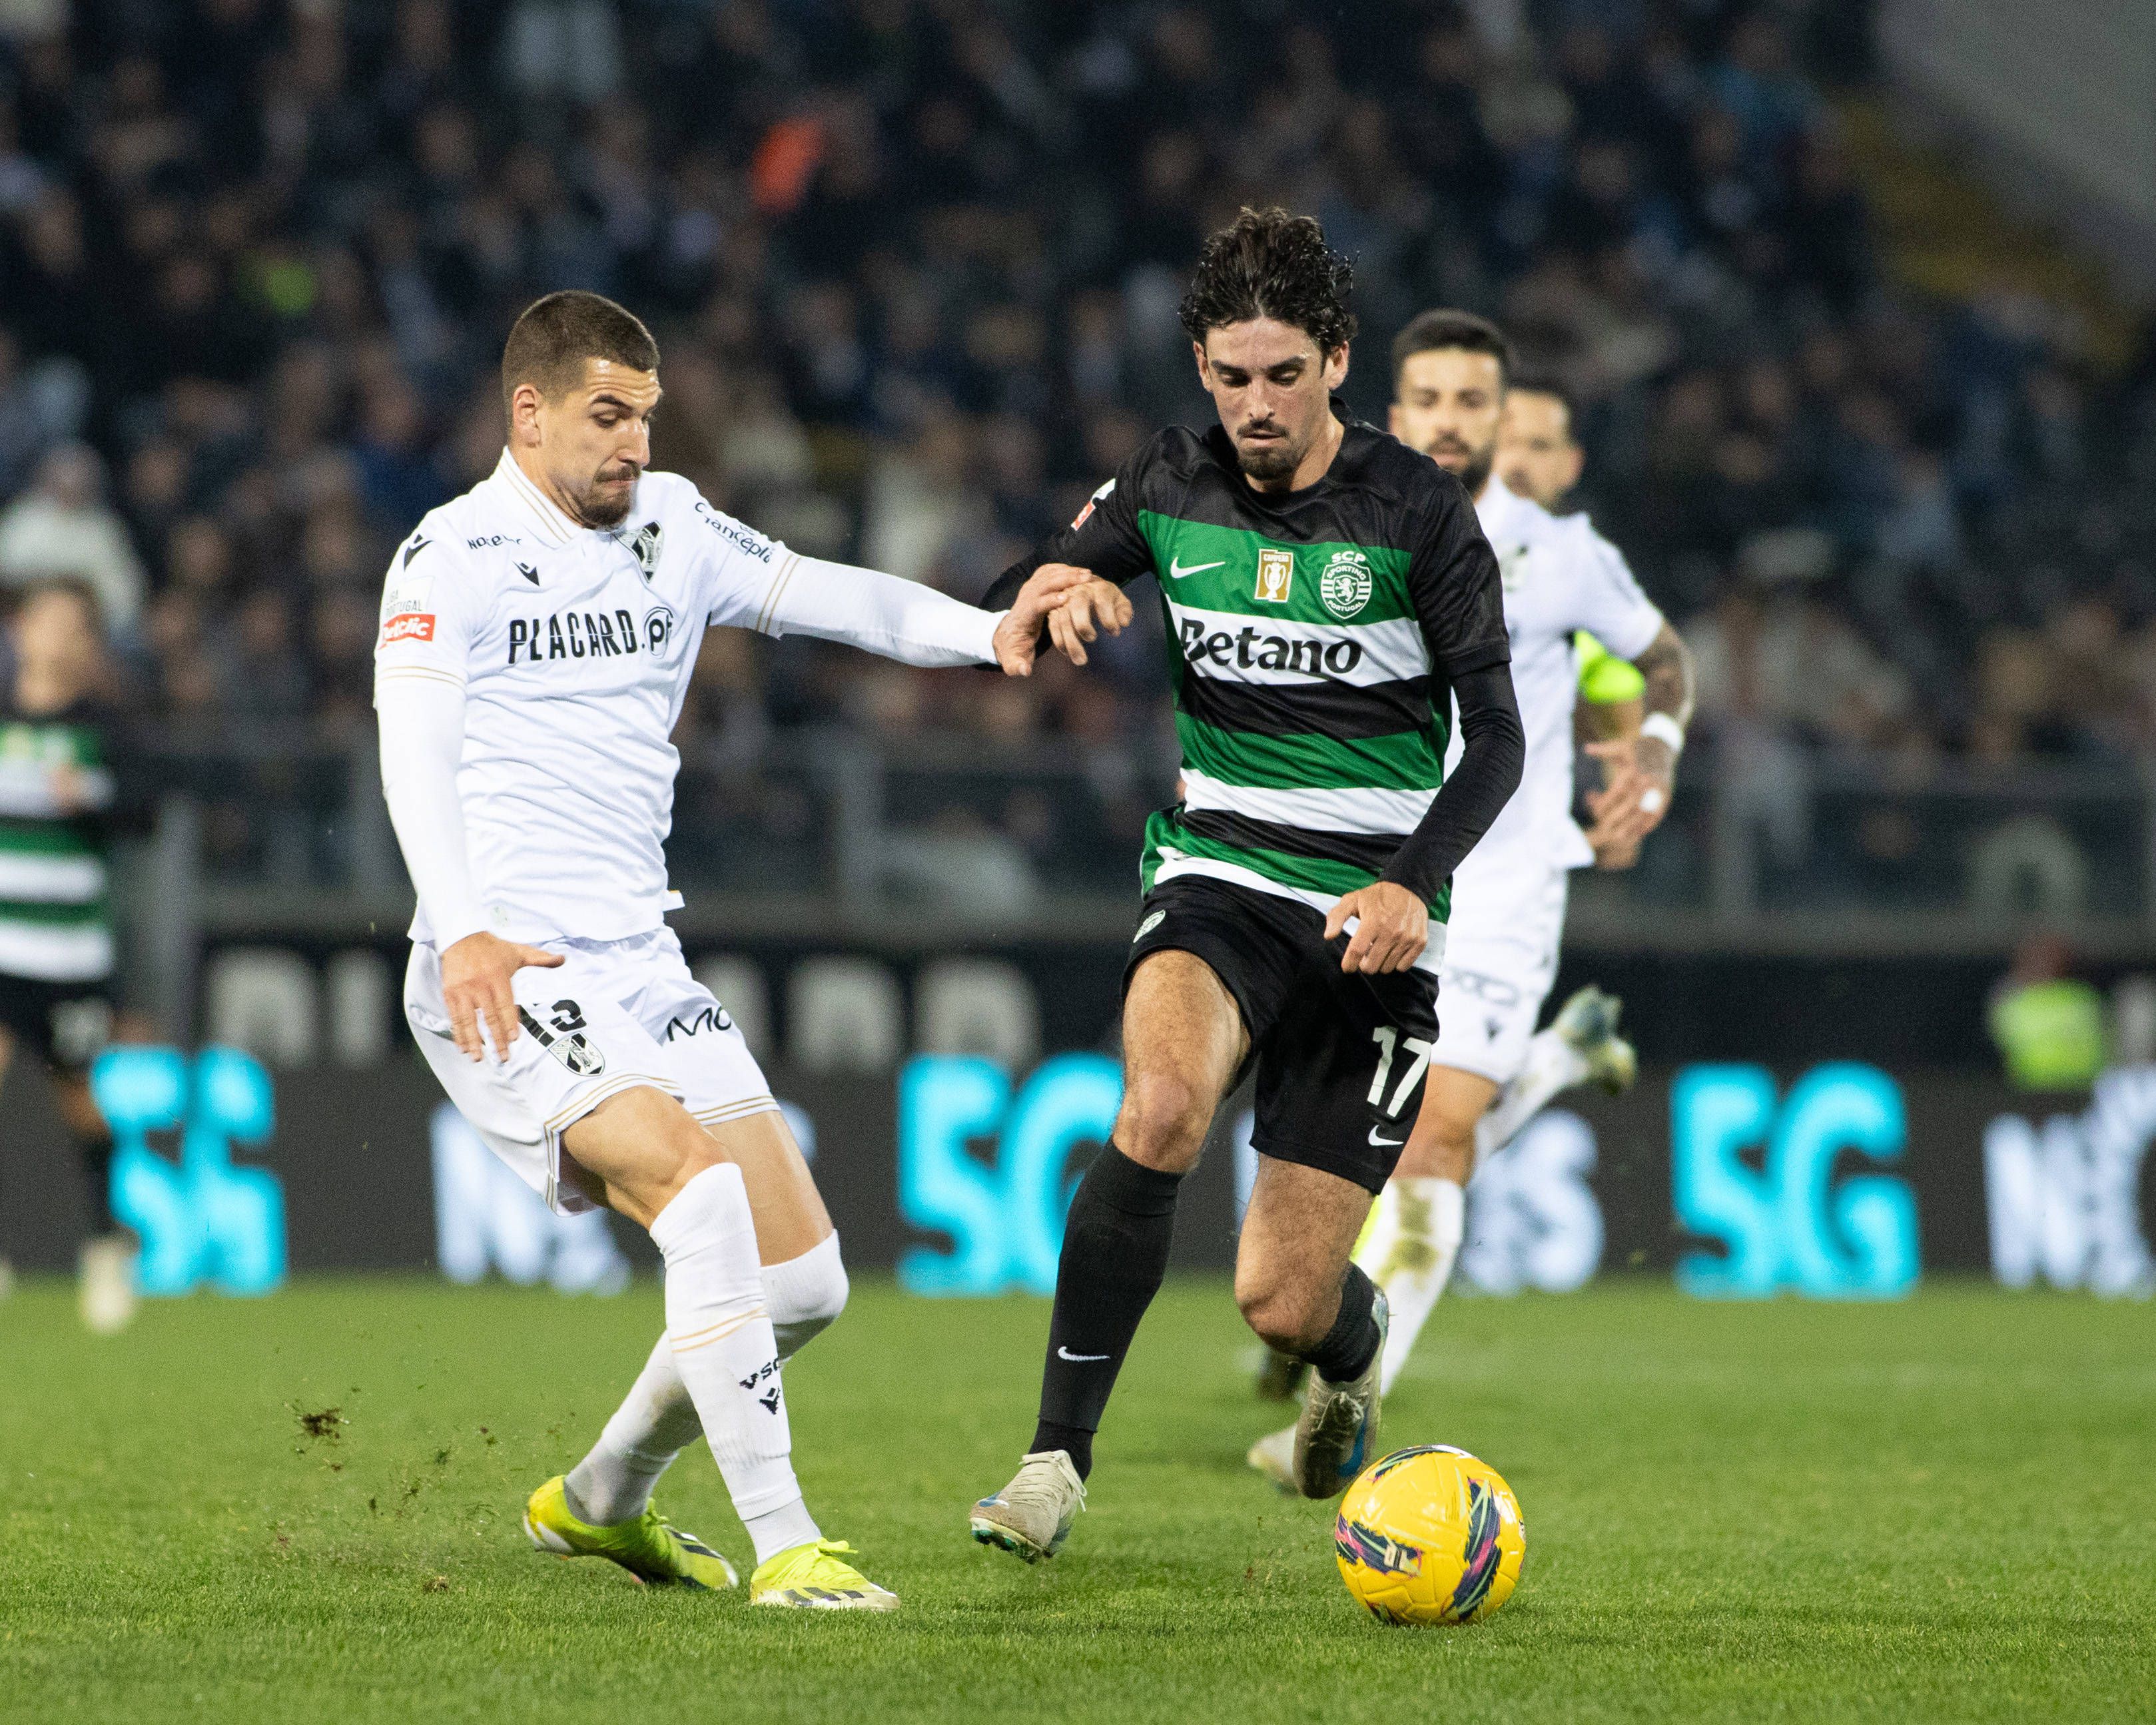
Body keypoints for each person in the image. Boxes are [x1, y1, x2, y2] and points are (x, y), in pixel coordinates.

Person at [374, 290, 1080, 1610]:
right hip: (513, 959)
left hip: (640, 954)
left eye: (644, 412)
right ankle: (787, 1542)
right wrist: (458, 919)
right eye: (605, 414)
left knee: (803, 1277)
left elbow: (827, 595)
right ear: (525, 413)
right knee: (699, 1200)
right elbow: (409, 745)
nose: (635, 440)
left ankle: (598, 1499)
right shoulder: (449, 556)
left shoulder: (673, 524)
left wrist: (982, 634)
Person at [964, 208, 1525, 1562]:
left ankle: (1353, 1342)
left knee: (1280, 1298)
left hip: (1367, 917)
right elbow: (1010, 600)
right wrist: (1051, 593)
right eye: (1231, 376)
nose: (1256, 404)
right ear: (1200, 369)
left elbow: (1496, 741)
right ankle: (1051, 1461)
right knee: (1156, 1105)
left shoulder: (1415, 511)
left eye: (1283, 374)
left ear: (1336, 361)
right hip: (1218, 872)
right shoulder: (1165, 480)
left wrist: (1410, 884)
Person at [1248, 314, 1697, 1479]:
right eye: (1430, 401)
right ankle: (1550, 1066)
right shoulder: (1342, 533)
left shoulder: (1561, 557)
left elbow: (1663, 660)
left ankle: (1343, 1415)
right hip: (1357, 870)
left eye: (1473, 402)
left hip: (1500, 884)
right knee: (1369, 1150)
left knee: (1436, 1139)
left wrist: (1649, 750)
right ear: (1396, 416)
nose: (1451, 420)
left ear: (1505, 422)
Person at [0, 579, 136, 1333]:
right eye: (48, 621)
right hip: (2, 946)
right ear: (21, 630)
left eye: (74, 626)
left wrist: (92, 795)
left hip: (72, 954)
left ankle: (103, 1246)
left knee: (79, 1102)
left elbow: (147, 813)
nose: (59, 638)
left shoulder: (104, 728)